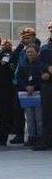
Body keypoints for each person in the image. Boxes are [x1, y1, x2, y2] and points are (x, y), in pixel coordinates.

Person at [9, 27, 40, 144]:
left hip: (33, 86)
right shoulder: (22, 49)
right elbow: (13, 60)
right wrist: (20, 46)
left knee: (35, 115)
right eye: (23, 38)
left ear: (33, 37)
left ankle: (36, 136)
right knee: (18, 111)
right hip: (20, 85)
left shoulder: (37, 49)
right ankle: (20, 135)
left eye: (27, 37)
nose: (25, 40)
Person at [16, 44, 46, 146]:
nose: (30, 54)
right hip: (26, 94)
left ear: (37, 53)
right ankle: (31, 137)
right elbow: (19, 78)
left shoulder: (41, 64)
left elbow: (42, 78)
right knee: (29, 117)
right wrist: (26, 87)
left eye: (32, 52)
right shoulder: (22, 64)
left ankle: (40, 137)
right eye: (28, 52)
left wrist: (34, 86)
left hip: (37, 93)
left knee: (39, 117)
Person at [34, 21, 52, 150]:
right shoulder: (45, 48)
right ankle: (46, 140)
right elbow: (38, 63)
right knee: (47, 114)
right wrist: (46, 69)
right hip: (48, 85)